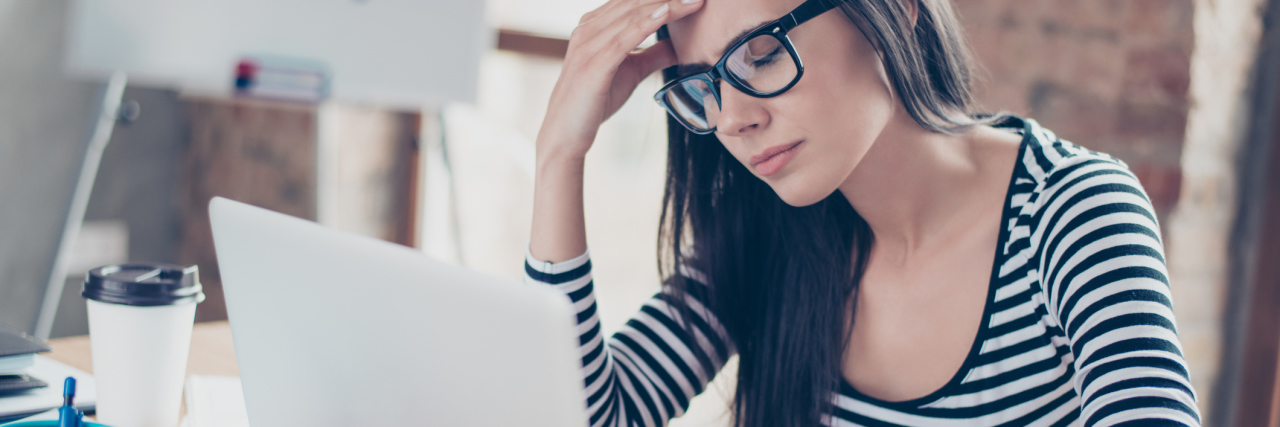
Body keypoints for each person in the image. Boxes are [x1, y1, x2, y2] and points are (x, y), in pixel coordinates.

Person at [525, 0, 1201, 425]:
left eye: (761, 55)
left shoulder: (1071, 214)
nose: (733, 119)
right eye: (704, 86)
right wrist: (559, 152)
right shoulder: (762, 234)